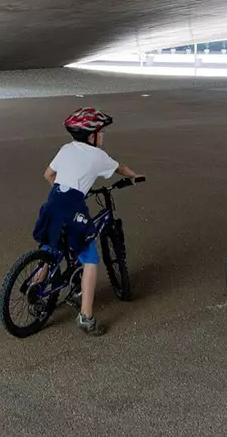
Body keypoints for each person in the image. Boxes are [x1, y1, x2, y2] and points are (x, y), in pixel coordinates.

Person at [33, 108, 144, 336]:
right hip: (74, 208)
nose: (102, 136)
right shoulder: (98, 156)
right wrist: (134, 176)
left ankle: (36, 288)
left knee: (50, 247)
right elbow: (120, 168)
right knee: (91, 260)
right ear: (91, 136)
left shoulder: (65, 149)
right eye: (100, 132)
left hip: (53, 202)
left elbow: (48, 175)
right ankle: (86, 317)